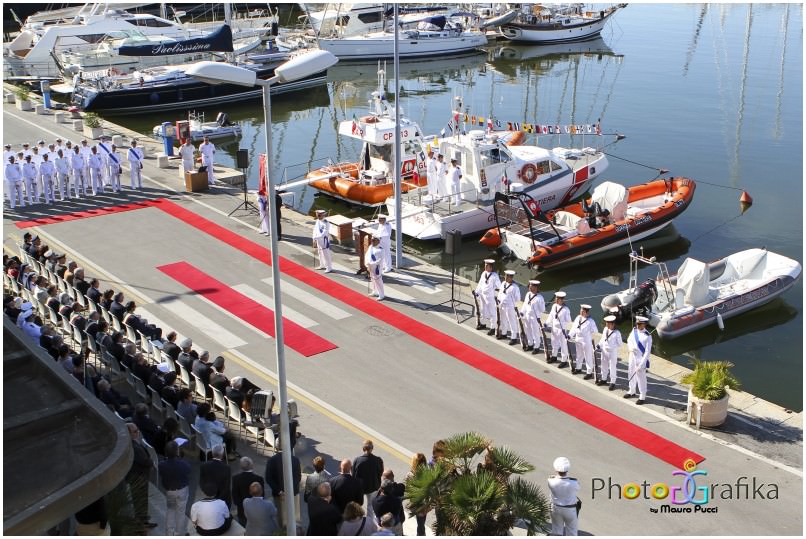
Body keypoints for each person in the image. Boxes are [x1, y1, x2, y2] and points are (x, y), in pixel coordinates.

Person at [126, 423, 157, 531]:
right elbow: (144, 461)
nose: (137, 433)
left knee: (141, 501)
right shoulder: (133, 446)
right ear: (128, 433)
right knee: (140, 501)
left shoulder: (133, 443)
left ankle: (143, 520)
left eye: (137, 430)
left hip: (138, 476)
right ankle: (141, 524)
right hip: (139, 478)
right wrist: (151, 461)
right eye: (134, 431)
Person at [159, 440, 192, 536]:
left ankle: (169, 533)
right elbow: (189, 470)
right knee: (180, 513)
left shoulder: (162, 465)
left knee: (170, 510)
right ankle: (179, 534)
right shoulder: (182, 464)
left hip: (169, 491)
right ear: (177, 452)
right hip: (182, 490)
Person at [265, 449, 302, 528]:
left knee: (282, 519)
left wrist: (279, 491)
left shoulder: (271, 460)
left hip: (279, 496)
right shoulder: (295, 460)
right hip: (294, 493)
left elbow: (268, 478)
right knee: (295, 518)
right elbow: (298, 477)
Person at [353, 440, 384, 522]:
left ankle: (358, 521)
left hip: (361, 487)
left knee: (358, 504)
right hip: (373, 486)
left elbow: (353, 475)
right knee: (370, 506)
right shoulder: (378, 460)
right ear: (372, 448)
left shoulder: (357, 460)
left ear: (363, 448)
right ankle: (369, 523)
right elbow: (380, 473)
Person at [548, 457, 580, 536]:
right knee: (572, 532)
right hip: (570, 509)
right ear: (567, 469)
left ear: (556, 469)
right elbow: (578, 488)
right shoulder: (574, 482)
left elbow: (552, 478)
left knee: (556, 531)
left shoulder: (550, 481)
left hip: (555, 508)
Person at [624, 316, 651, 405]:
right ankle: (631, 390)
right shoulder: (634, 331)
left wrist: (642, 364)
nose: (638, 325)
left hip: (641, 358)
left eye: (640, 324)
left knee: (641, 377)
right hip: (632, 355)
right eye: (637, 323)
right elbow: (629, 340)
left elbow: (647, 352)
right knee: (631, 372)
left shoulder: (648, 336)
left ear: (644, 324)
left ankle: (642, 396)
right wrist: (631, 348)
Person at [232, 457, 264, 527]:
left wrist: (240, 505)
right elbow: (262, 496)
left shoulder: (236, 479)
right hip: (256, 510)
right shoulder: (259, 479)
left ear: (241, 467)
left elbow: (235, 496)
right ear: (252, 465)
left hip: (242, 511)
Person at [569, 304, 598, 379]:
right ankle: (578, 368)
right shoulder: (578, 318)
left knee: (588, 356)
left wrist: (591, 337)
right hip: (578, 339)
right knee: (579, 355)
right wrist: (570, 335)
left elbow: (595, 331)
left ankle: (589, 372)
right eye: (581, 310)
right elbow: (574, 327)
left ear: (587, 312)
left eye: (583, 311)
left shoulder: (591, 321)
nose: (581, 312)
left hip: (586, 341)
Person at [200, 444, 233, 508]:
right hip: (222, 498)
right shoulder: (226, 468)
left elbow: (201, 481)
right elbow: (227, 486)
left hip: (209, 495)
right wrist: (218, 498)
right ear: (222, 454)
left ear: (212, 453)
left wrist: (207, 492)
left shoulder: (204, 466)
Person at [546, 291, 572, 367]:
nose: (556, 299)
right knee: (554, 342)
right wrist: (547, 323)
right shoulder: (554, 306)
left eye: (558, 298)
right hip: (554, 328)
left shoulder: (566, 309)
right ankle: (554, 356)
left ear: (562, 300)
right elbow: (551, 316)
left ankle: (564, 360)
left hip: (562, 329)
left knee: (563, 345)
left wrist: (565, 316)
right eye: (556, 298)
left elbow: (569, 320)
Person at [474, 260, 502, 333]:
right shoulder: (484, 273)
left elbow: (499, 287)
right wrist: (476, 292)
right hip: (483, 295)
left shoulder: (495, 276)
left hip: (490, 297)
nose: (485, 267)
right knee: (483, 310)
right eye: (485, 265)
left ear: (491, 267)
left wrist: (497, 296)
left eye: (487, 266)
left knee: (492, 312)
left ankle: (493, 327)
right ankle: (482, 323)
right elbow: (480, 283)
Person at [520, 279, 546, 353]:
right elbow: (525, 304)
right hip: (527, 315)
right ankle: (530, 344)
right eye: (529, 286)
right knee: (528, 331)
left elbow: (542, 309)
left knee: (535, 332)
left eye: (531, 287)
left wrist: (538, 305)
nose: (529, 288)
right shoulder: (528, 294)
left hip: (535, 317)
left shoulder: (540, 298)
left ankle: (536, 346)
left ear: (536, 288)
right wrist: (522, 312)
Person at [496, 269, 521, 345]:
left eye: (507, 276)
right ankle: (504, 333)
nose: (505, 277)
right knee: (503, 320)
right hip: (502, 305)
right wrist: (498, 300)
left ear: (511, 277)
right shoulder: (503, 283)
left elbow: (518, 298)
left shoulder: (515, 287)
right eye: (505, 276)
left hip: (510, 306)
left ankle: (514, 337)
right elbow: (500, 293)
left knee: (512, 322)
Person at [406, 453, 428, 536]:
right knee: (421, 525)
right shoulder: (426, 474)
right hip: (424, 504)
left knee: (420, 525)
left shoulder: (410, 475)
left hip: (415, 503)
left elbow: (407, 489)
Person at [598, 315, 622, 391]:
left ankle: (612, 382)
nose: (606, 324)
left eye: (608, 323)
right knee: (603, 365)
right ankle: (604, 379)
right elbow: (603, 339)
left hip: (612, 352)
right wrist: (599, 345)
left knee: (612, 367)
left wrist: (612, 347)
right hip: (604, 351)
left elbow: (620, 344)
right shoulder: (605, 329)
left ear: (612, 324)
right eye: (606, 323)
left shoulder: (617, 333)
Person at [364, 235, 385, 301]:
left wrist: (370, 264)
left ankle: (381, 294)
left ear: (378, 241)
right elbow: (367, 255)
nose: (372, 241)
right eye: (372, 240)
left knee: (378, 281)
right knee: (373, 279)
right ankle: (375, 291)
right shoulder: (371, 247)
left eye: (374, 240)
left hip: (377, 268)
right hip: (370, 267)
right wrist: (367, 264)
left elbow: (379, 260)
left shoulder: (381, 250)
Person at [257, 168, 270, 236]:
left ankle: (268, 230)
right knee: (262, 214)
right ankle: (264, 228)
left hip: (265, 199)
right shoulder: (262, 180)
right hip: (261, 198)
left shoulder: (267, 182)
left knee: (266, 215)